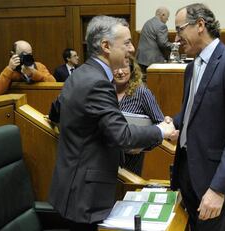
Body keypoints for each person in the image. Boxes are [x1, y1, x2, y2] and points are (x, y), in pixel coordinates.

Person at [48, 16, 176, 231]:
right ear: (106, 46)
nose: (133, 48)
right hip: (85, 197)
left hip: (71, 187)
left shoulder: (79, 74)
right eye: (126, 42)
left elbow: (55, 111)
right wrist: (160, 130)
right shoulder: (98, 82)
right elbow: (122, 136)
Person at [167, 4, 225, 231]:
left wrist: (218, 189)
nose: (176, 39)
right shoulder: (191, 67)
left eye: (179, 30)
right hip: (187, 169)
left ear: (200, 25)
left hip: (213, 177)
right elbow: (194, 112)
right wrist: (172, 124)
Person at [114, 57, 164, 175]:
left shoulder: (142, 93)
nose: (120, 72)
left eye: (125, 67)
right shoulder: (103, 91)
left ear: (132, 70)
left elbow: (161, 125)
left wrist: (142, 147)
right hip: (104, 159)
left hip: (131, 163)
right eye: (116, 68)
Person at [136, 7, 174, 73]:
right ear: (163, 15)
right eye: (167, 18)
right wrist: (174, 46)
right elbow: (163, 43)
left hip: (141, 58)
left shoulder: (148, 22)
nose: (167, 20)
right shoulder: (161, 25)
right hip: (152, 61)